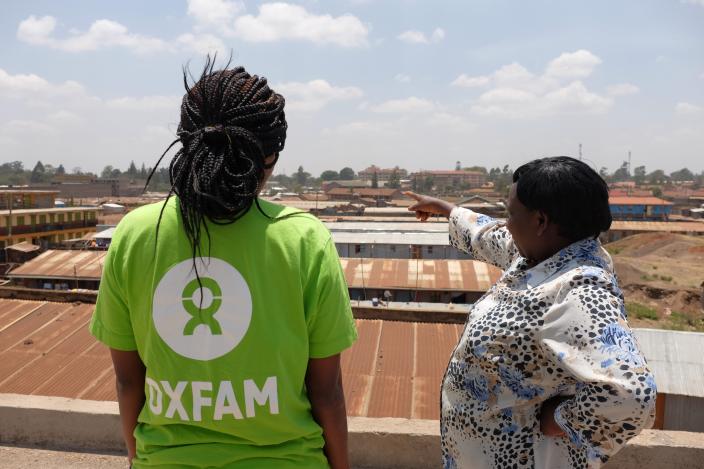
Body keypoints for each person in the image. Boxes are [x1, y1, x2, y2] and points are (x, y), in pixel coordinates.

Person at [90, 58, 357, 468]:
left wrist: (137, 458)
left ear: (187, 141)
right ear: (270, 157)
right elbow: (326, 391)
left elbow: (129, 381)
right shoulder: (305, 240)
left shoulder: (133, 234)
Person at [406, 156, 656, 469]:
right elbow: (491, 237)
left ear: (540, 222)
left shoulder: (579, 290)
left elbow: (632, 397)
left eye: (511, 213)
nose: (506, 223)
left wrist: (561, 419)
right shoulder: (543, 255)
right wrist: (447, 210)